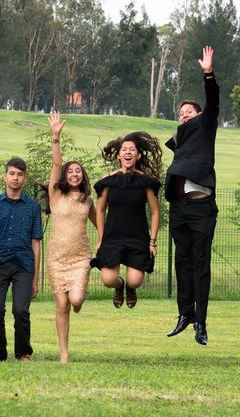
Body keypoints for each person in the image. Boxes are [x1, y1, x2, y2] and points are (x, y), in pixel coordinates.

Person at [165, 46, 219, 346]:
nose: (184, 116)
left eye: (189, 112)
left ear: (199, 116)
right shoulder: (181, 136)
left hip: (202, 209)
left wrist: (207, 73)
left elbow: (213, 101)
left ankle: (201, 321)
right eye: (181, 113)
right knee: (182, 263)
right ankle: (184, 314)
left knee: (200, 265)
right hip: (180, 210)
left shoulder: (205, 126)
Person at [44, 111, 97, 363]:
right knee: (61, 306)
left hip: (79, 258)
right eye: (71, 171)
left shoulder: (87, 200)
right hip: (56, 258)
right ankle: (64, 354)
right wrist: (56, 137)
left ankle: (78, 301)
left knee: (75, 300)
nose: (75, 174)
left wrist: (102, 241)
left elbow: (100, 224)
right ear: (66, 176)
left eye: (79, 171)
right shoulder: (56, 196)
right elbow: (56, 165)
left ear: (83, 176)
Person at [91, 131, 162, 309]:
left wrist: (152, 241)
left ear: (138, 155)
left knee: (136, 280)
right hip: (113, 237)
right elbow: (99, 210)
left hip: (138, 238)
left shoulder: (146, 182)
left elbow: (155, 212)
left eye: (132, 149)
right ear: (118, 155)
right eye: (124, 149)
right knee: (108, 280)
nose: (128, 152)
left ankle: (130, 287)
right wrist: (101, 238)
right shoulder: (108, 181)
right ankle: (120, 286)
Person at [0, 157, 42, 363]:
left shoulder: (33, 207)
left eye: (19, 174)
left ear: (24, 178)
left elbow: (36, 243)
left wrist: (35, 278)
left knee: (21, 311)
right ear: (5, 176)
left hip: (23, 265)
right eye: (12, 173)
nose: (15, 178)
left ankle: (23, 352)